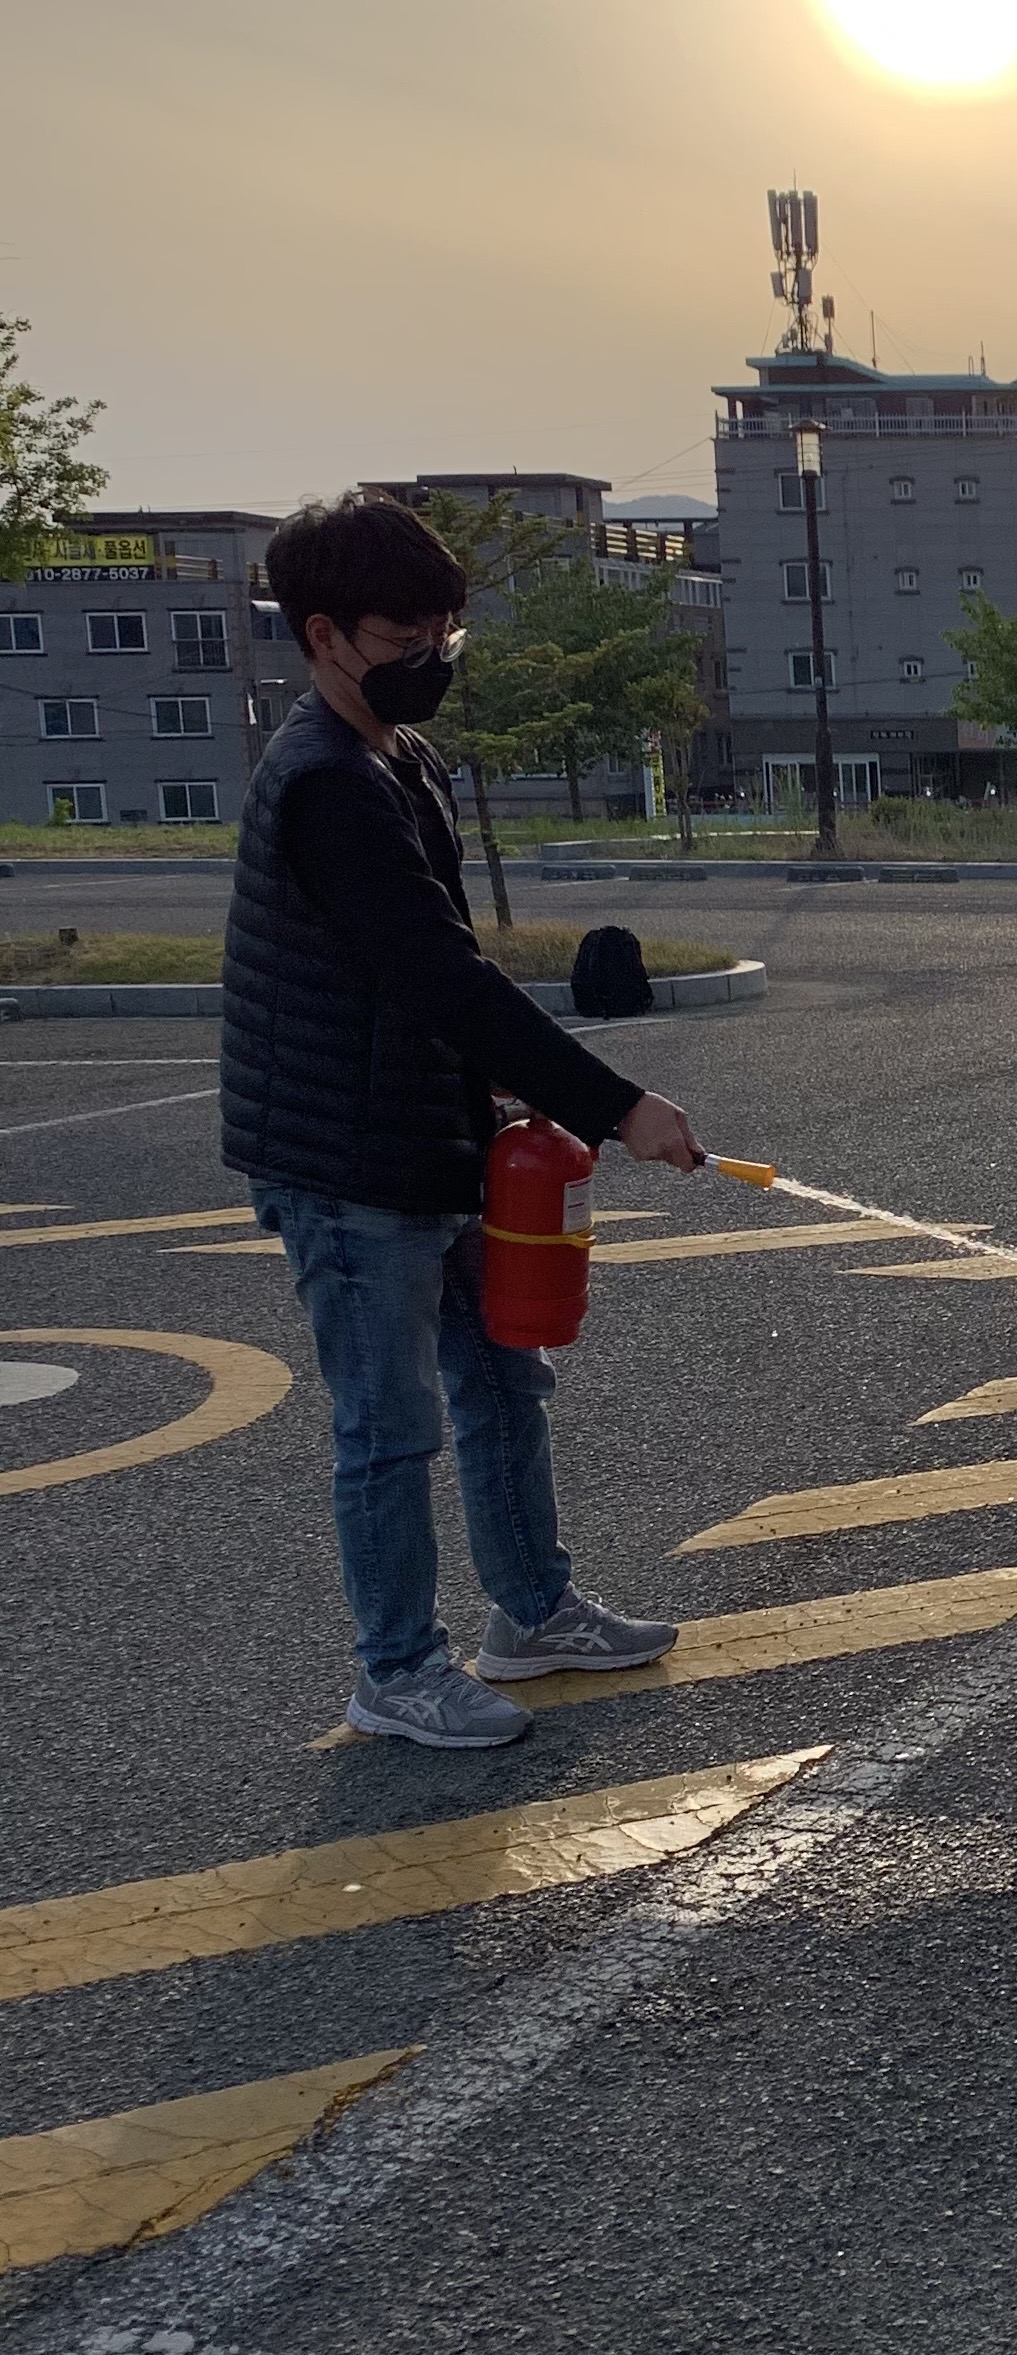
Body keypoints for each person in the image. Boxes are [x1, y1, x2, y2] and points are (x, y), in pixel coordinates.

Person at [221, 491, 710, 1752]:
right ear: (323, 634)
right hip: (345, 1159)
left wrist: (502, 1089)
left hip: (433, 1136)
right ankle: (395, 1670)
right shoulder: (325, 785)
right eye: (407, 639)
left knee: (503, 1377)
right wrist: (616, 1105)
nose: (433, 660)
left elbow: (436, 974)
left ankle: (532, 1613)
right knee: (389, 1429)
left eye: (447, 635)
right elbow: (439, 975)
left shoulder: (399, 757)